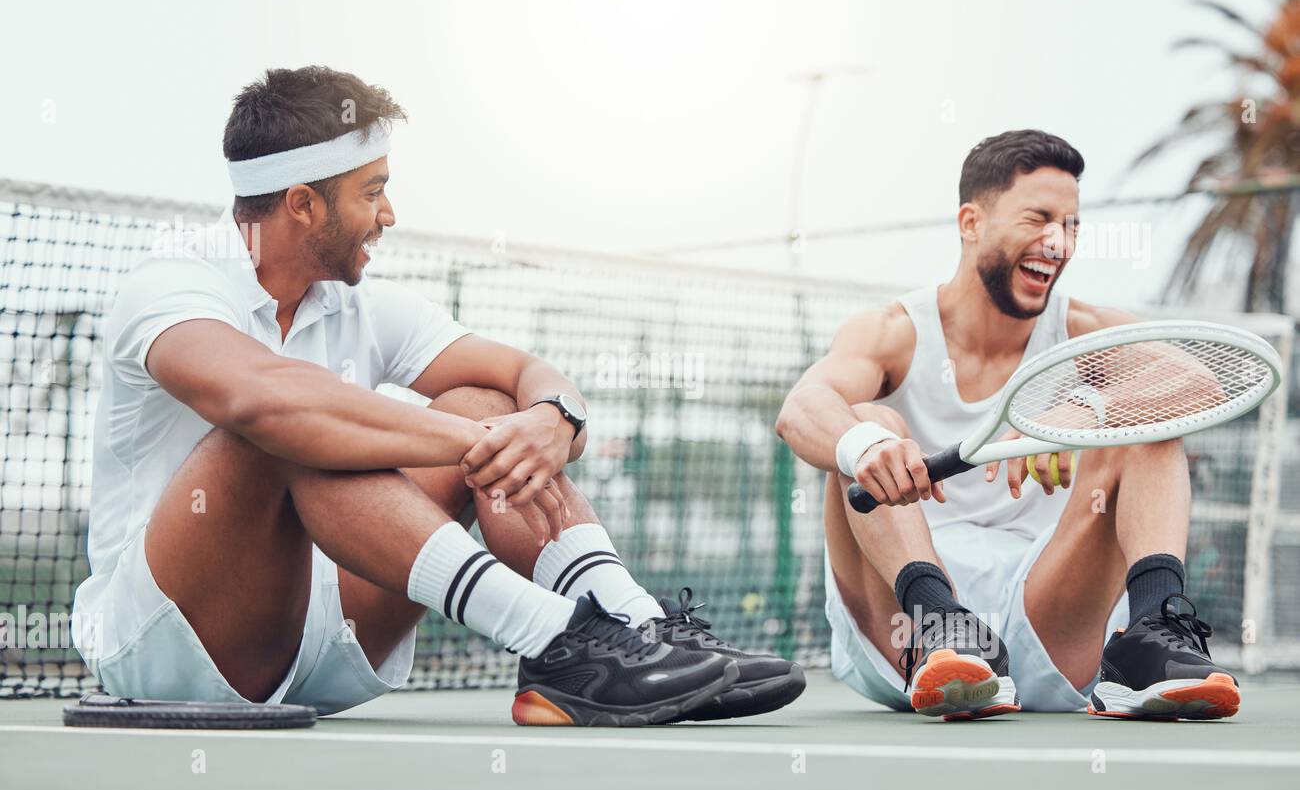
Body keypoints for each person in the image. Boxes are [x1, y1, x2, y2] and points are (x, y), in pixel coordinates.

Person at [72, 65, 805, 726]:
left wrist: (551, 419)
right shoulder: (170, 285)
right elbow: (266, 400)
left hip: (329, 641)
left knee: (483, 400)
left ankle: (634, 623)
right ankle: (554, 637)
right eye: (372, 192)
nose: (388, 214)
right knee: (293, 424)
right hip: (172, 645)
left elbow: (524, 372)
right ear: (302, 204)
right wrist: (482, 445)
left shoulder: (361, 306)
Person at [776, 129, 1238, 721]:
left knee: (1148, 421)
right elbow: (803, 407)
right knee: (867, 421)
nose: (1058, 242)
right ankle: (940, 620)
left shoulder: (1085, 331)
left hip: (1050, 619)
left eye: (1070, 226)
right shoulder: (893, 332)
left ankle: (1151, 638)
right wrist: (865, 446)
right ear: (971, 222)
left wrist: (1084, 412)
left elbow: (1202, 383)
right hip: (907, 629)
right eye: (1038, 219)